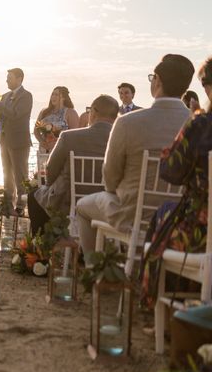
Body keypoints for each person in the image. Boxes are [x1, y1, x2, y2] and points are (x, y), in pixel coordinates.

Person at [76, 54, 195, 258]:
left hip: (132, 217)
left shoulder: (128, 122)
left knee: (82, 207)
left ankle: (98, 273)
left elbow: (110, 180)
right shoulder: (198, 125)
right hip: (181, 218)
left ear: (157, 80)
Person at [140, 58, 212, 307]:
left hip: (202, 231)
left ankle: (156, 305)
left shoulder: (201, 125)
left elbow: (170, 172)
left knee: (163, 220)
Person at [27, 95, 118, 235]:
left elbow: (51, 170)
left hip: (68, 201)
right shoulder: (121, 141)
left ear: (93, 112)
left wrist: (50, 183)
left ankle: (42, 251)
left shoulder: (69, 137)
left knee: (34, 197)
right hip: (105, 204)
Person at [0, 68, 33, 216]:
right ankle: (7, 205)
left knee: (21, 176)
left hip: (19, 142)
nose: (7, 80)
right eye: (6, 77)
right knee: (7, 175)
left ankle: (20, 207)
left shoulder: (26, 96)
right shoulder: (5, 96)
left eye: (10, 77)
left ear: (19, 78)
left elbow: (15, 114)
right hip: (4, 140)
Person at [34, 86, 80, 153]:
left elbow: (74, 135)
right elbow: (36, 130)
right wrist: (41, 141)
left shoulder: (71, 113)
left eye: (56, 95)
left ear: (63, 98)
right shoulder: (43, 112)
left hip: (61, 151)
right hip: (44, 150)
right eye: (52, 94)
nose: (53, 97)